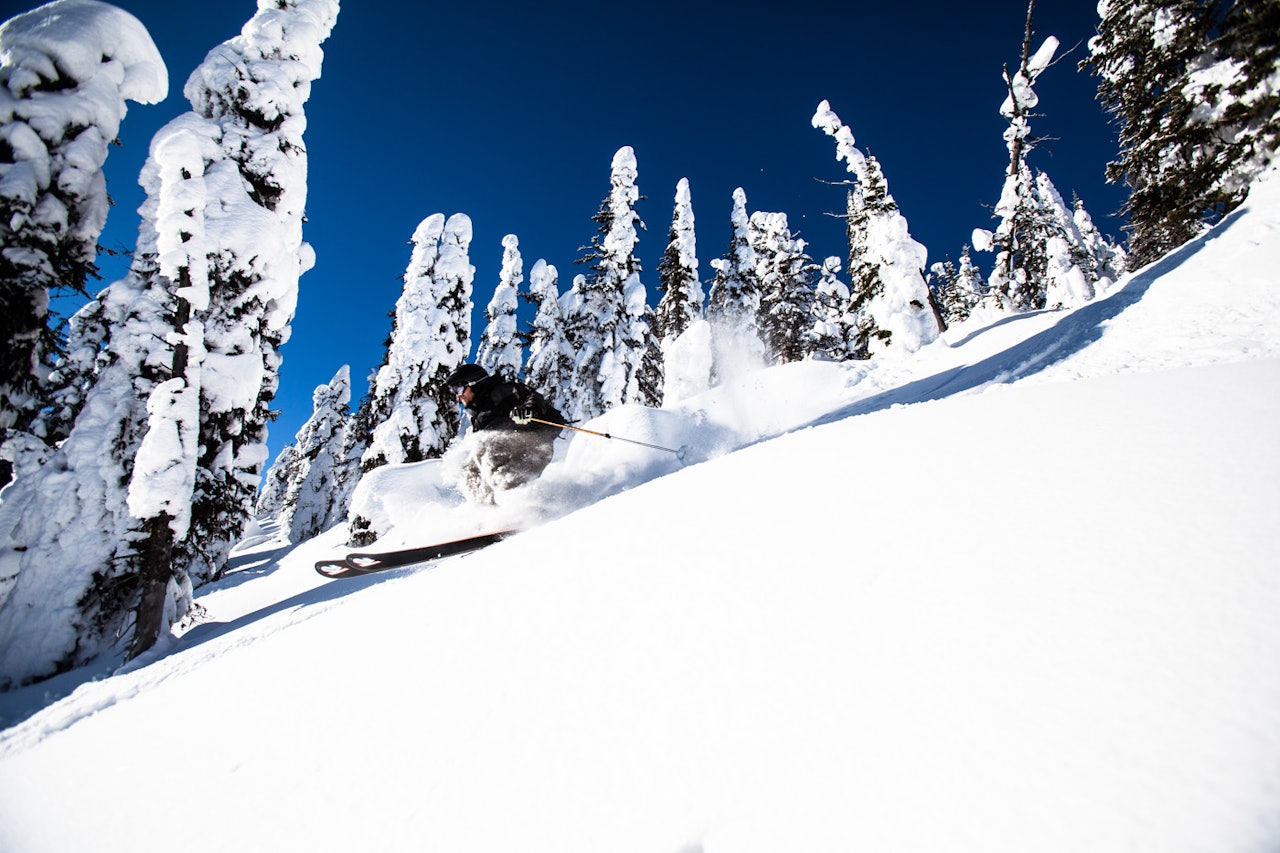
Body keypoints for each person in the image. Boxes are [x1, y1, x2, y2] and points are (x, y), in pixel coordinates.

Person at [444, 364, 565, 504]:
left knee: (491, 453)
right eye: (454, 390)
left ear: (474, 383)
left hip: (535, 446)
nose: (458, 395)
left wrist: (528, 410)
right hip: (508, 452)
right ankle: (487, 510)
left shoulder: (501, 392)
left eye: (458, 388)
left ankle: (525, 506)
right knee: (469, 470)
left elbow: (533, 397)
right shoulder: (480, 416)